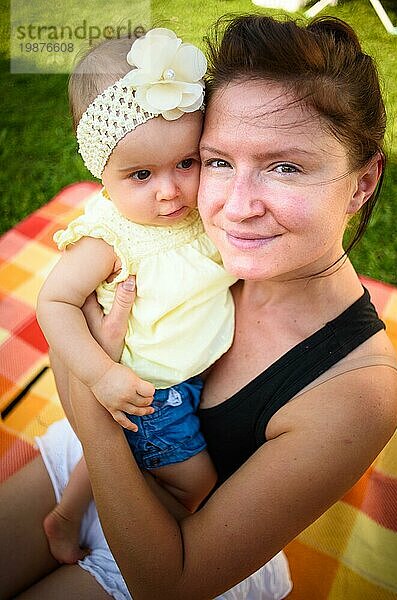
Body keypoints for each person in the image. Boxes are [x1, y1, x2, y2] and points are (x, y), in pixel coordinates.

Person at [1, 14, 397, 600]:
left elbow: (171, 582)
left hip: (166, 549)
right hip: (89, 464)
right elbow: (76, 289)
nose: (234, 208)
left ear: (362, 183)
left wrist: (90, 406)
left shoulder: (356, 390)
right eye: (216, 161)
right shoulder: (190, 235)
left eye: (285, 166)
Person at [36, 29, 236, 565]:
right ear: (102, 172)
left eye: (186, 164)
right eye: (141, 175)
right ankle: (131, 542)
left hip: (190, 379)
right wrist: (102, 377)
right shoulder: (112, 236)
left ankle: (65, 516)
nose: (169, 191)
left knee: (116, 458)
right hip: (149, 393)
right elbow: (53, 303)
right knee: (196, 485)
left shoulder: (200, 212)